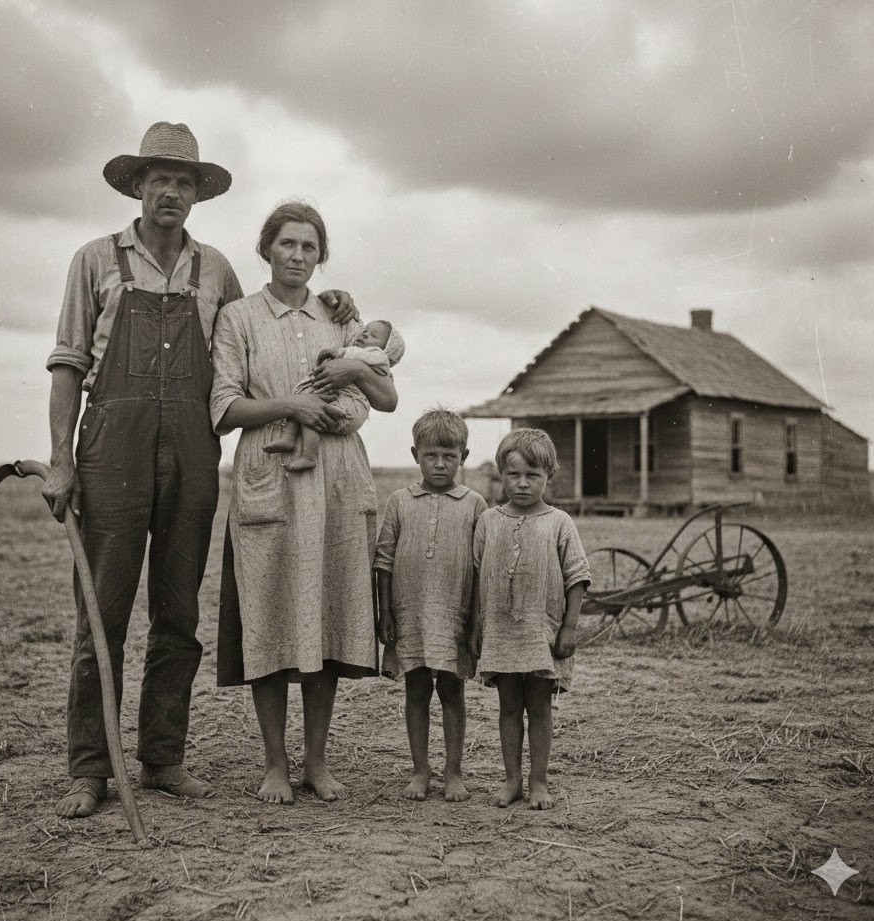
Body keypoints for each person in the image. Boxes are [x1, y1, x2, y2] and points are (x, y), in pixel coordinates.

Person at [42, 125, 358, 819]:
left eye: (183, 183)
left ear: (197, 195)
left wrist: (336, 305)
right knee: (103, 610)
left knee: (178, 612)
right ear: (137, 185)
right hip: (112, 450)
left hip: (192, 450)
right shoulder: (93, 260)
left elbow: (262, 330)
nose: (171, 192)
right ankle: (90, 769)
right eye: (159, 178)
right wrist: (62, 460)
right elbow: (68, 364)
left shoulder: (216, 270)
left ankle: (162, 758)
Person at [210, 200, 398, 804]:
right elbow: (224, 407)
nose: (297, 256)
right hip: (269, 473)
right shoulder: (238, 317)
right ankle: (274, 764)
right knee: (269, 616)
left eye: (309, 247)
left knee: (326, 619)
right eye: (287, 244)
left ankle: (316, 762)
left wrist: (349, 379)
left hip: (337, 477)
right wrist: (292, 406)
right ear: (266, 249)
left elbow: (380, 399)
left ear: (322, 257)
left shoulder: (341, 319)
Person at [469, 428, 590, 809]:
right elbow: (477, 574)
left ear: (549, 476)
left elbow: (577, 577)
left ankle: (539, 781)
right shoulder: (489, 521)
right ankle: (512, 780)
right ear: (501, 475)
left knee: (539, 706)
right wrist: (476, 625)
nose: (522, 484)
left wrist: (569, 627)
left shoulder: (559, 522)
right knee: (508, 706)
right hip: (500, 630)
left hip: (542, 632)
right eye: (513, 475)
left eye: (532, 475)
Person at [374, 406, 486, 801]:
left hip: (454, 615)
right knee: (416, 690)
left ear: (463, 457)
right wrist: (385, 613)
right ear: (415, 455)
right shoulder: (399, 502)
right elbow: (384, 561)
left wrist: (475, 623)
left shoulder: (475, 504)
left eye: (449, 456)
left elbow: (481, 567)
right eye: (430, 455)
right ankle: (420, 771)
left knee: (453, 692)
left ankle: (453, 772)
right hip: (411, 616)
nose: (439, 464)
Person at [265, 318, 405, 470]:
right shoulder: (362, 354)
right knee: (302, 404)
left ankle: (309, 456)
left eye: (373, 336)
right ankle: (288, 437)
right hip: (340, 398)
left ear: (387, 350)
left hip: (351, 404)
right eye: (364, 331)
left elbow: (363, 356)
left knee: (312, 412)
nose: (364, 335)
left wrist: (340, 352)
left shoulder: (378, 357)